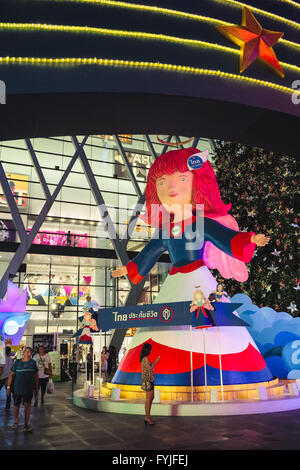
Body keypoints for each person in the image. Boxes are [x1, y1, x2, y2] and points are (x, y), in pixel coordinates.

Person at [112, 147, 272, 387]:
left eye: (182, 178)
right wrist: (129, 269)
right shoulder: (165, 229)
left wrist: (249, 239)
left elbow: (225, 237)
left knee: (209, 326)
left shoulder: (201, 222)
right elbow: (149, 253)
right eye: (162, 181)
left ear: (198, 184)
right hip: (176, 280)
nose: (171, 187)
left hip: (197, 276)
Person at [6, 346, 39, 432]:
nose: (28, 353)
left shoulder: (33, 363)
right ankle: (16, 422)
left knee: (27, 406)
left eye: (30, 351)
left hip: (28, 389)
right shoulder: (17, 362)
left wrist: (36, 387)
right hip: (18, 389)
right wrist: (8, 387)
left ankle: (26, 424)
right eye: (26, 351)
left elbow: (36, 375)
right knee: (16, 405)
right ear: (23, 353)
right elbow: (11, 375)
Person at [140, 343, 160, 425]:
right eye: (150, 349)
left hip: (148, 380)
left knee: (150, 398)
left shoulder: (144, 358)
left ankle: (147, 416)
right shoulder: (145, 359)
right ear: (147, 350)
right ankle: (147, 417)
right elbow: (149, 370)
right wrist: (155, 362)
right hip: (148, 380)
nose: (151, 351)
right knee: (149, 399)